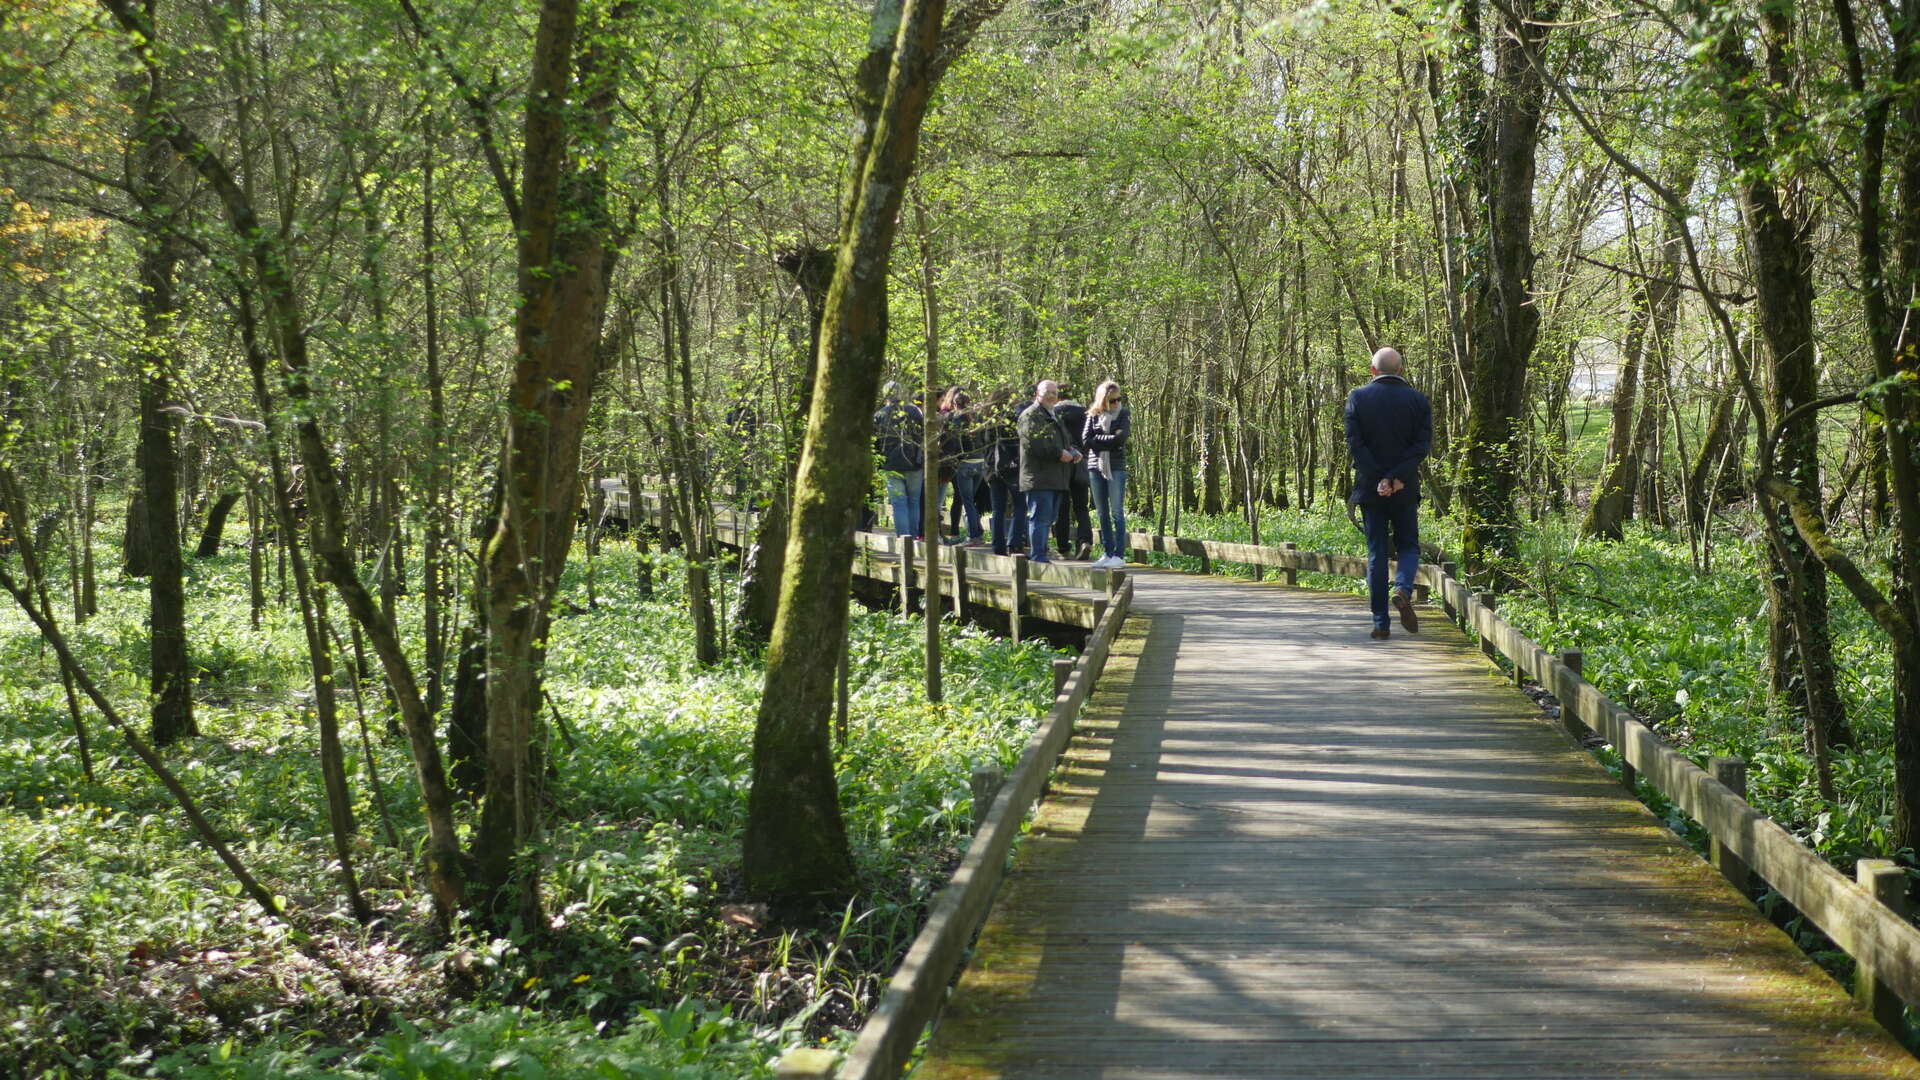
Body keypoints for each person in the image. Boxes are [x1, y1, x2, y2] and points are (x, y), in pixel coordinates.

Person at [1344, 347, 1432, 640]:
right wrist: (1396, 477)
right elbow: (1420, 448)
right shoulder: (1418, 401)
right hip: (1404, 488)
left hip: (1372, 489)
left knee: (1376, 554)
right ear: (1401, 371)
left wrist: (1380, 478)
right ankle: (1404, 589)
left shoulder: (1358, 398)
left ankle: (1381, 623)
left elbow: (1356, 445)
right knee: (1408, 546)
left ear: (1372, 371)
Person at [1018, 379, 1081, 564]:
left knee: (1049, 518)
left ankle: (1041, 553)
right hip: (1038, 477)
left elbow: (1064, 440)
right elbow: (1033, 443)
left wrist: (1072, 451)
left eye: (1055, 392)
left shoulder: (1053, 415)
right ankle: (1038, 557)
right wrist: (1058, 453)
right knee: (1040, 518)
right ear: (1038, 393)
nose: (1052, 395)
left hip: (1056, 477)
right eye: (1048, 392)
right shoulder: (1030, 416)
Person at [1083, 380, 1131, 569]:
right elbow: (1086, 440)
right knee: (1102, 512)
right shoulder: (1092, 415)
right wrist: (1109, 438)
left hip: (1116, 467)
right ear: (1102, 401)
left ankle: (1119, 554)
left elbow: (1121, 439)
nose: (1116, 404)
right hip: (1096, 466)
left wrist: (1100, 439)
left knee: (1116, 512)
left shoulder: (1124, 414)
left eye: (1119, 399)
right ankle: (1107, 552)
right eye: (1112, 401)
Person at [873, 381, 924, 538]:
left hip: (891, 464)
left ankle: (904, 540)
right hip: (914, 462)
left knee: (899, 503)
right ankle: (914, 539)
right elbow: (922, 436)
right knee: (914, 501)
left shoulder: (880, 415)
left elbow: (875, 443)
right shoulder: (914, 412)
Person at [941, 387, 988, 545]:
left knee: (967, 501)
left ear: (955, 404)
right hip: (980, 463)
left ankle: (974, 535)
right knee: (970, 500)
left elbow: (954, 442)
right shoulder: (978, 417)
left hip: (965, 464)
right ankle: (977, 532)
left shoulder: (956, 418)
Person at [1051, 386, 1093, 560]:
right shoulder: (1086, 413)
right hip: (1081, 463)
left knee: (1063, 506)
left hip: (1063, 463)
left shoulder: (1054, 413)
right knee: (1081, 507)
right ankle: (1085, 541)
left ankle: (1063, 547)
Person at [983, 388, 1027, 556]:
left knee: (998, 508)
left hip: (992, 468)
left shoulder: (986, 419)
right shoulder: (1012, 417)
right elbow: (1016, 442)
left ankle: (998, 545)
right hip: (1011, 467)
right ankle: (1014, 543)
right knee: (1020, 505)